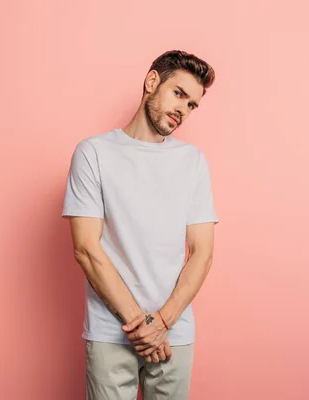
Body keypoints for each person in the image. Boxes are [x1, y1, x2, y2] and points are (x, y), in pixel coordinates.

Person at [62, 49, 218, 400]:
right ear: (152, 82)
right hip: (111, 331)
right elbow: (86, 249)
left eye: (192, 105)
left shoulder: (192, 162)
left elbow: (202, 253)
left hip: (174, 333)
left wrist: (162, 323)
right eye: (179, 94)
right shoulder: (94, 153)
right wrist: (143, 327)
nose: (183, 110)